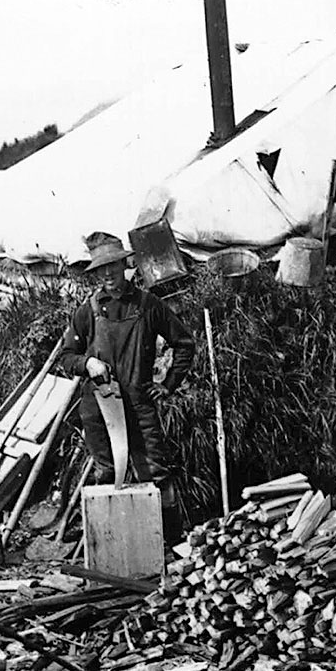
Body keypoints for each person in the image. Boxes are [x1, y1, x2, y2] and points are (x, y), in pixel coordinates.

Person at [57, 232, 195, 543]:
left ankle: (169, 547)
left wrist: (169, 384)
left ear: (125, 265)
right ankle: (113, 547)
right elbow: (66, 357)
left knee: (155, 474)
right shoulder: (88, 310)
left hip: (139, 403)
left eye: (113, 267)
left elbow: (184, 343)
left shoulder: (148, 305)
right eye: (101, 270)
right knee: (106, 476)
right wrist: (86, 364)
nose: (108, 275)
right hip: (99, 407)